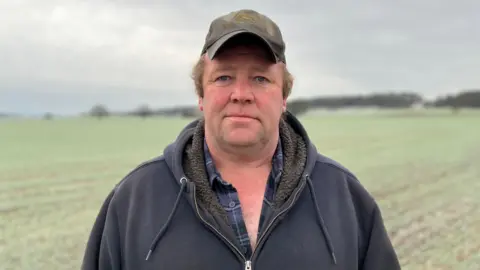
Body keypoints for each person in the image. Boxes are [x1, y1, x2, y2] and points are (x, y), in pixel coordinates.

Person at [81, 9, 401, 270]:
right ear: (201, 96)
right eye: (224, 77)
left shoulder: (344, 197)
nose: (241, 94)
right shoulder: (135, 199)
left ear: (284, 97)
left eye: (260, 79)